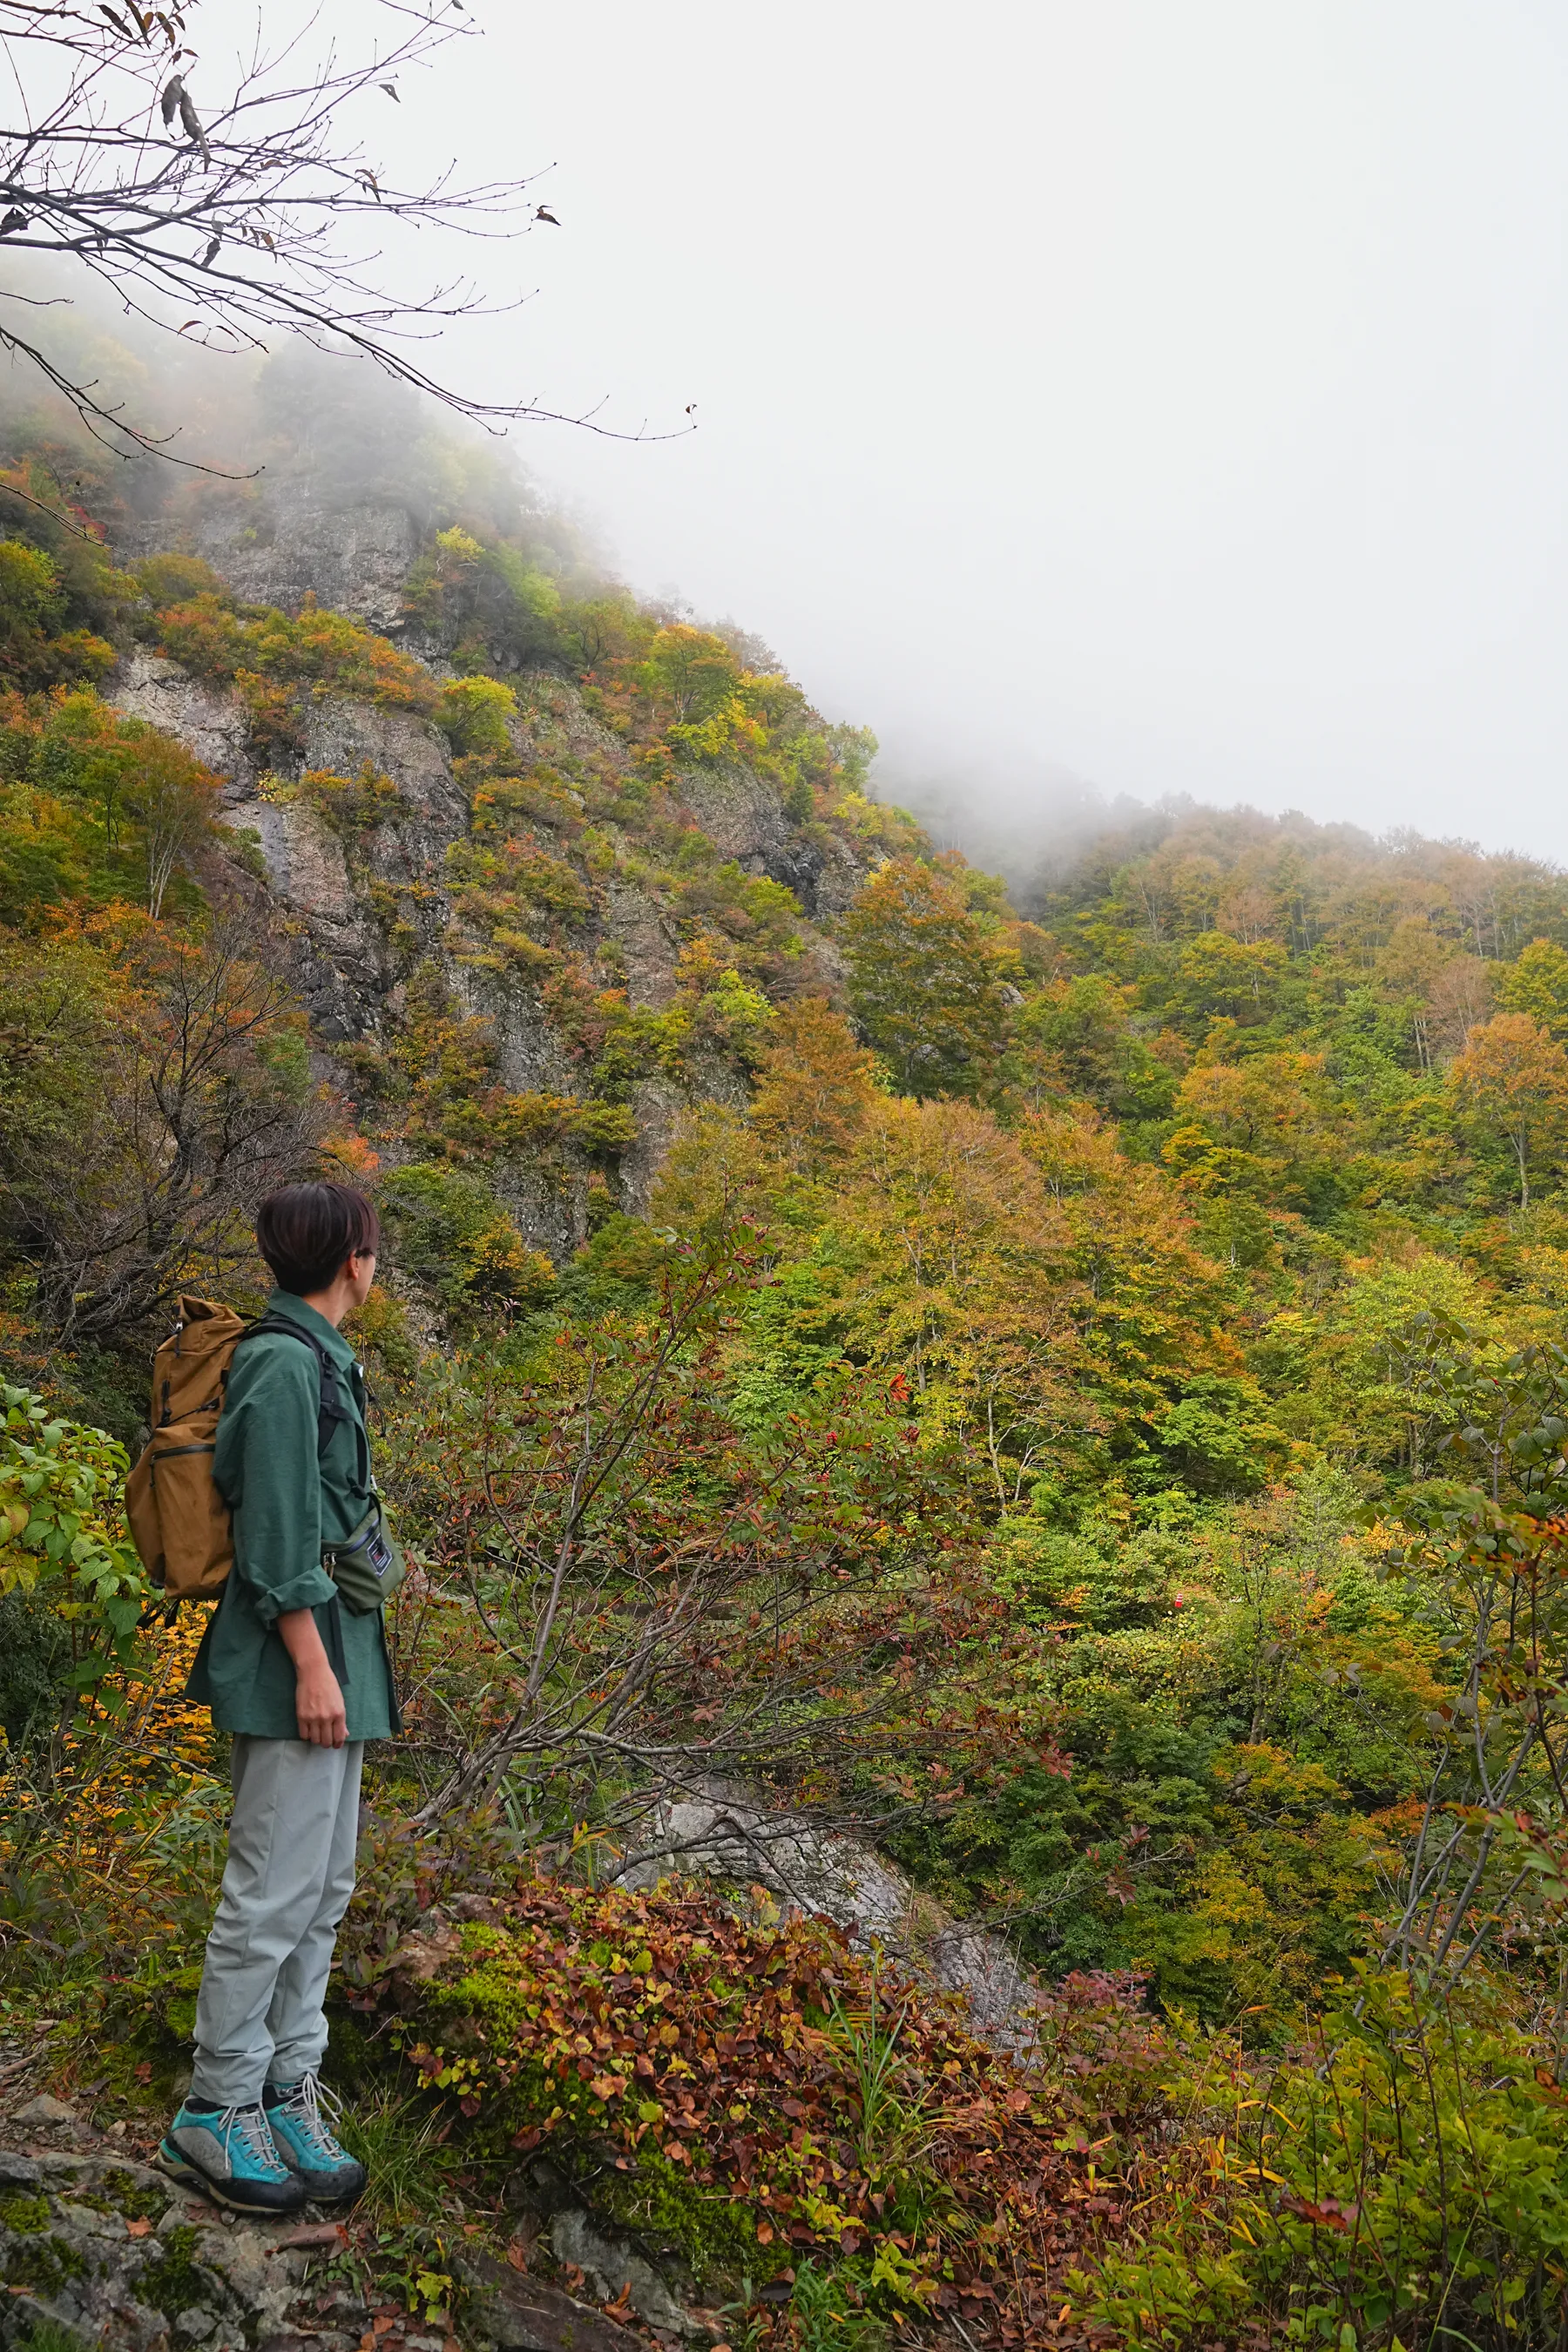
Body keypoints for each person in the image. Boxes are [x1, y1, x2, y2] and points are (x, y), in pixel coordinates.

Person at [158, 1182, 399, 2216]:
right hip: (292, 1658)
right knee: (269, 1894)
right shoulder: (279, 1363)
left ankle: (284, 2087)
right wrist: (309, 1664)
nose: (375, 1263)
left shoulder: (318, 1358)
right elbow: (273, 1534)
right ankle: (215, 2110)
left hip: (336, 1654)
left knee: (323, 1887)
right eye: (373, 1247)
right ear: (354, 1260)